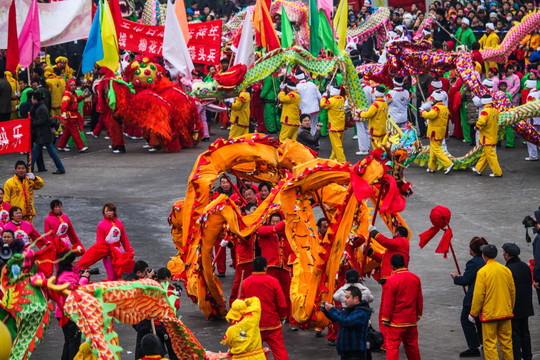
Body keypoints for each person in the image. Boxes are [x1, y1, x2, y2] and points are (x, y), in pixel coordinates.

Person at [470, 244, 515, 360]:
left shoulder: (482, 272)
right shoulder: (505, 270)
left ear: (484, 256)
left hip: (489, 315)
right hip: (506, 312)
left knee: (490, 344)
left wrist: (473, 313)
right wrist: (510, 308)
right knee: (506, 343)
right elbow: (512, 292)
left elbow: (478, 295)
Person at [242, 256, 289, 360]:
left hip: (253, 323)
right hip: (272, 323)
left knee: (255, 352)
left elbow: (241, 304)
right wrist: (283, 317)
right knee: (279, 349)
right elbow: (281, 303)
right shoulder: (273, 281)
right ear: (265, 268)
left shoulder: (245, 282)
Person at [380, 254, 423, 360]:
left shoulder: (391, 280)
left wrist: (386, 319)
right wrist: (418, 314)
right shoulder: (415, 278)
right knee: (412, 347)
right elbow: (419, 299)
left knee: (392, 348)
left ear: (393, 266)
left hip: (396, 322)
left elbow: (388, 302)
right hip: (411, 320)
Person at [451, 236, 487, 357]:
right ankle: (483, 342)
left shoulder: (473, 262)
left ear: (474, 250)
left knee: (466, 320)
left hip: (473, 297)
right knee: (480, 320)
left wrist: (456, 278)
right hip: (485, 296)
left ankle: (473, 346)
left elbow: (465, 280)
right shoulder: (485, 260)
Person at [78, 203, 134, 281]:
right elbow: (99, 243)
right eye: (106, 211)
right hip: (107, 254)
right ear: (104, 212)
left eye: (110, 211)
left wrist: (130, 251)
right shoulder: (101, 225)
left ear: (114, 212)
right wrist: (106, 253)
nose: (108, 213)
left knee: (120, 275)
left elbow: (124, 239)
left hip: (118, 253)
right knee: (111, 277)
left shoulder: (119, 223)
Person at [256, 214, 292, 325]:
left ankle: (288, 317)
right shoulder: (264, 230)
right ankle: (272, 315)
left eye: (277, 221)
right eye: (273, 221)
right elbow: (260, 231)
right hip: (271, 266)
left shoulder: (287, 233)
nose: (275, 223)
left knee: (287, 293)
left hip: (285, 266)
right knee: (271, 293)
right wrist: (282, 223)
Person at [55, 250, 91, 360]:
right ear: (69, 261)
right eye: (74, 259)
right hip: (69, 314)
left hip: (66, 312)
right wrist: (84, 278)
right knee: (73, 342)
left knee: (69, 340)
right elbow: (77, 290)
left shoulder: (66, 274)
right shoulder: (66, 277)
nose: (77, 260)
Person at [502, 243, 533, 360]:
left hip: (513, 307)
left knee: (514, 334)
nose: (503, 254)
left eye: (504, 252)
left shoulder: (507, 270)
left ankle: (517, 356)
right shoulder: (524, 266)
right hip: (525, 306)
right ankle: (527, 355)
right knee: (525, 332)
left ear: (508, 255)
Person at [322, 286, 372, 360]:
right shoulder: (349, 310)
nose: (345, 300)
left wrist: (332, 309)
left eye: (347, 297)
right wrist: (326, 310)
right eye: (345, 297)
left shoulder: (361, 313)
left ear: (356, 299)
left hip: (356, 355)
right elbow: (337, 318)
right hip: (346, 353)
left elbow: (346, 321)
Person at [30, 92, 66, 175]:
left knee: (40, 152)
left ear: (35, 99)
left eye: (32, 98)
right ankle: (29, 168)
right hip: (43, 134)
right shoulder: (41, 107)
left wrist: (33, 121)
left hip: (43, 134)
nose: (32, 100)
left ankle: (29, 169)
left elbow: (41, 121)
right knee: (39, 152)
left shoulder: (41, 108)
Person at [420, 90, 455, 175]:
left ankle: (448, 163)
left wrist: (422, 111)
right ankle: (431, 167)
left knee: (436, 149)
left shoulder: (436, 108)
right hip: (441, 131)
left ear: (435, 100)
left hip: (434, 131)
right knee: (433, 149)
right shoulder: (445, 107)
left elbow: (430, 115)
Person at [471, 94, 502, 177]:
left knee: (491, 156)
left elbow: (481, 122)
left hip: (486, 136)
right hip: (493, 135)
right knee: (485, 154)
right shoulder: (495, 110)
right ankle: (479, 169)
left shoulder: (485, 111)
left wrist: (476, 127)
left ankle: (497, 172)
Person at [57, 79, 87, 153]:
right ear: (68, 86)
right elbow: (64, 105)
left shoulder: (73, 94)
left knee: (67, 132)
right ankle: (81, 147)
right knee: (75, 131)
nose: (73, 87)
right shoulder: (67, 94)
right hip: (70, 115)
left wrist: (83, 95)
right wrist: (64, 115)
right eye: (71, 85)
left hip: (73, 114)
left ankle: (61, 146)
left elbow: (76, 101)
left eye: (74, 85)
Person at [320, 84, 346, 163]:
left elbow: (323, 104)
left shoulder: (331, 101)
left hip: (334, 126)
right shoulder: (341, 98)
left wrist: (324, 96)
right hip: (341, 125)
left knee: (337, 146)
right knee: (337, 145)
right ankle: (332, 160)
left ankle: (343, 162)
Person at [296, 70, 322, 135]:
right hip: (315, 109)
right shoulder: (312, 84)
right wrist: (320, 106)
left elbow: (297, 100)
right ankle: (316, 142)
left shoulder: (297, 87)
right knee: (314, 125)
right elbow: (319, 96)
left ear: (297, 78)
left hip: (305, 110)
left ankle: (309, 142)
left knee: (305, 127)